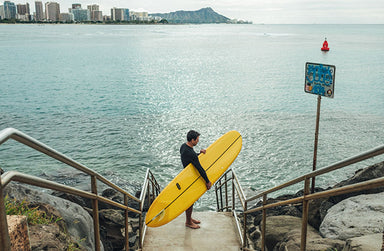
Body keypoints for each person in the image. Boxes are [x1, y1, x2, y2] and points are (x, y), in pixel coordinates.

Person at [180, 130, 212, 229]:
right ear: (192, 140)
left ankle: (189, 218)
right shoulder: (191, 153)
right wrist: (207, 181)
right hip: (190, 178)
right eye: (197, 139)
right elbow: (199, 168)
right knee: (190, 200)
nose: (198, 141)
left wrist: (198, 154)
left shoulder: (184, 146)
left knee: (191, 200)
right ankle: (188, 222)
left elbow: (189, 158)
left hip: (186, 175)